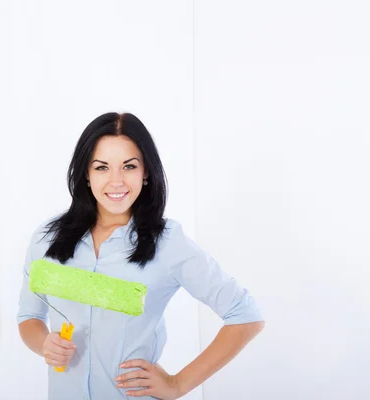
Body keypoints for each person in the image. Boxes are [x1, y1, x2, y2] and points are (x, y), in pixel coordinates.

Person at [17, 112, 265, 400]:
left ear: (145, 172)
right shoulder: (47, 239)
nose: (116, 181)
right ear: (86, 172)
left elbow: (245, 315)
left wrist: (177, 384)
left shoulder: (168, 243)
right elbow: (29, 316)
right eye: (102, 168)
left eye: (129, 166)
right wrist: (44, 343)